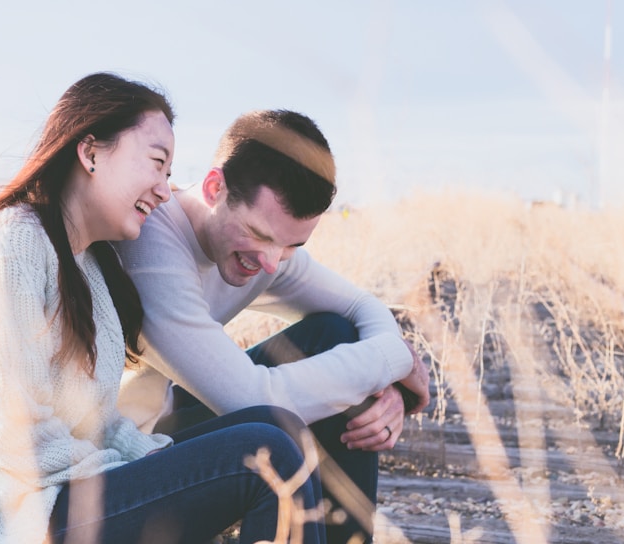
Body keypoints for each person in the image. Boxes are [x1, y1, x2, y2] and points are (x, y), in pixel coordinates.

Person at [0, 73, 326, 544]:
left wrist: (149, 460)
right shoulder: (12, 242)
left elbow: (95, 421)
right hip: (16, 522)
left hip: (68, 499)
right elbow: (12, 435)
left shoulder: (87, 266)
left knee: (277, 424)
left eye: (170, 174)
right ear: (90, 152)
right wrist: (131, 472)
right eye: (155, 164)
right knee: (265, 451)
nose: (165, 190)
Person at [114, 109, 431, 544]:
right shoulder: (151, 243)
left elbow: (361, 306)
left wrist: (387, 383)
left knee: (335, 334)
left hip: (163, 424)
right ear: (214, 188)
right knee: (282, 427)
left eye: (292, 244)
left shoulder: (270, 251)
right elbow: (252, 398)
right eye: (259, 234)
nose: (270, 262)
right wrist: (392, 360)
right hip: (119, 465)